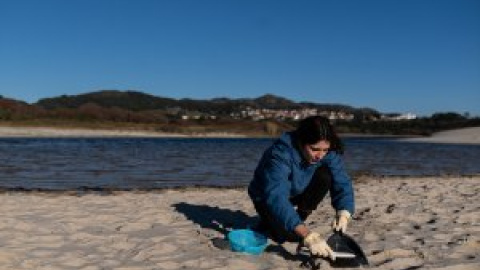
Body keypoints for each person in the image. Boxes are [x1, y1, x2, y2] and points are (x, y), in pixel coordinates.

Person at [248, 115, 355, 261]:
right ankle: (269, 223)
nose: (320, 155)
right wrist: (306, 234)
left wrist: (344, 212)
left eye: (325, 150)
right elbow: (276, 196)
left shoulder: (326, 151)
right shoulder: (280, 153)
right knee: (284, 236)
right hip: (265, 196)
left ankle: (299, 218)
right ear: (301, 141)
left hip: (298, 189)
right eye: (314, 149)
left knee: (325, 175)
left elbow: (342, 181)